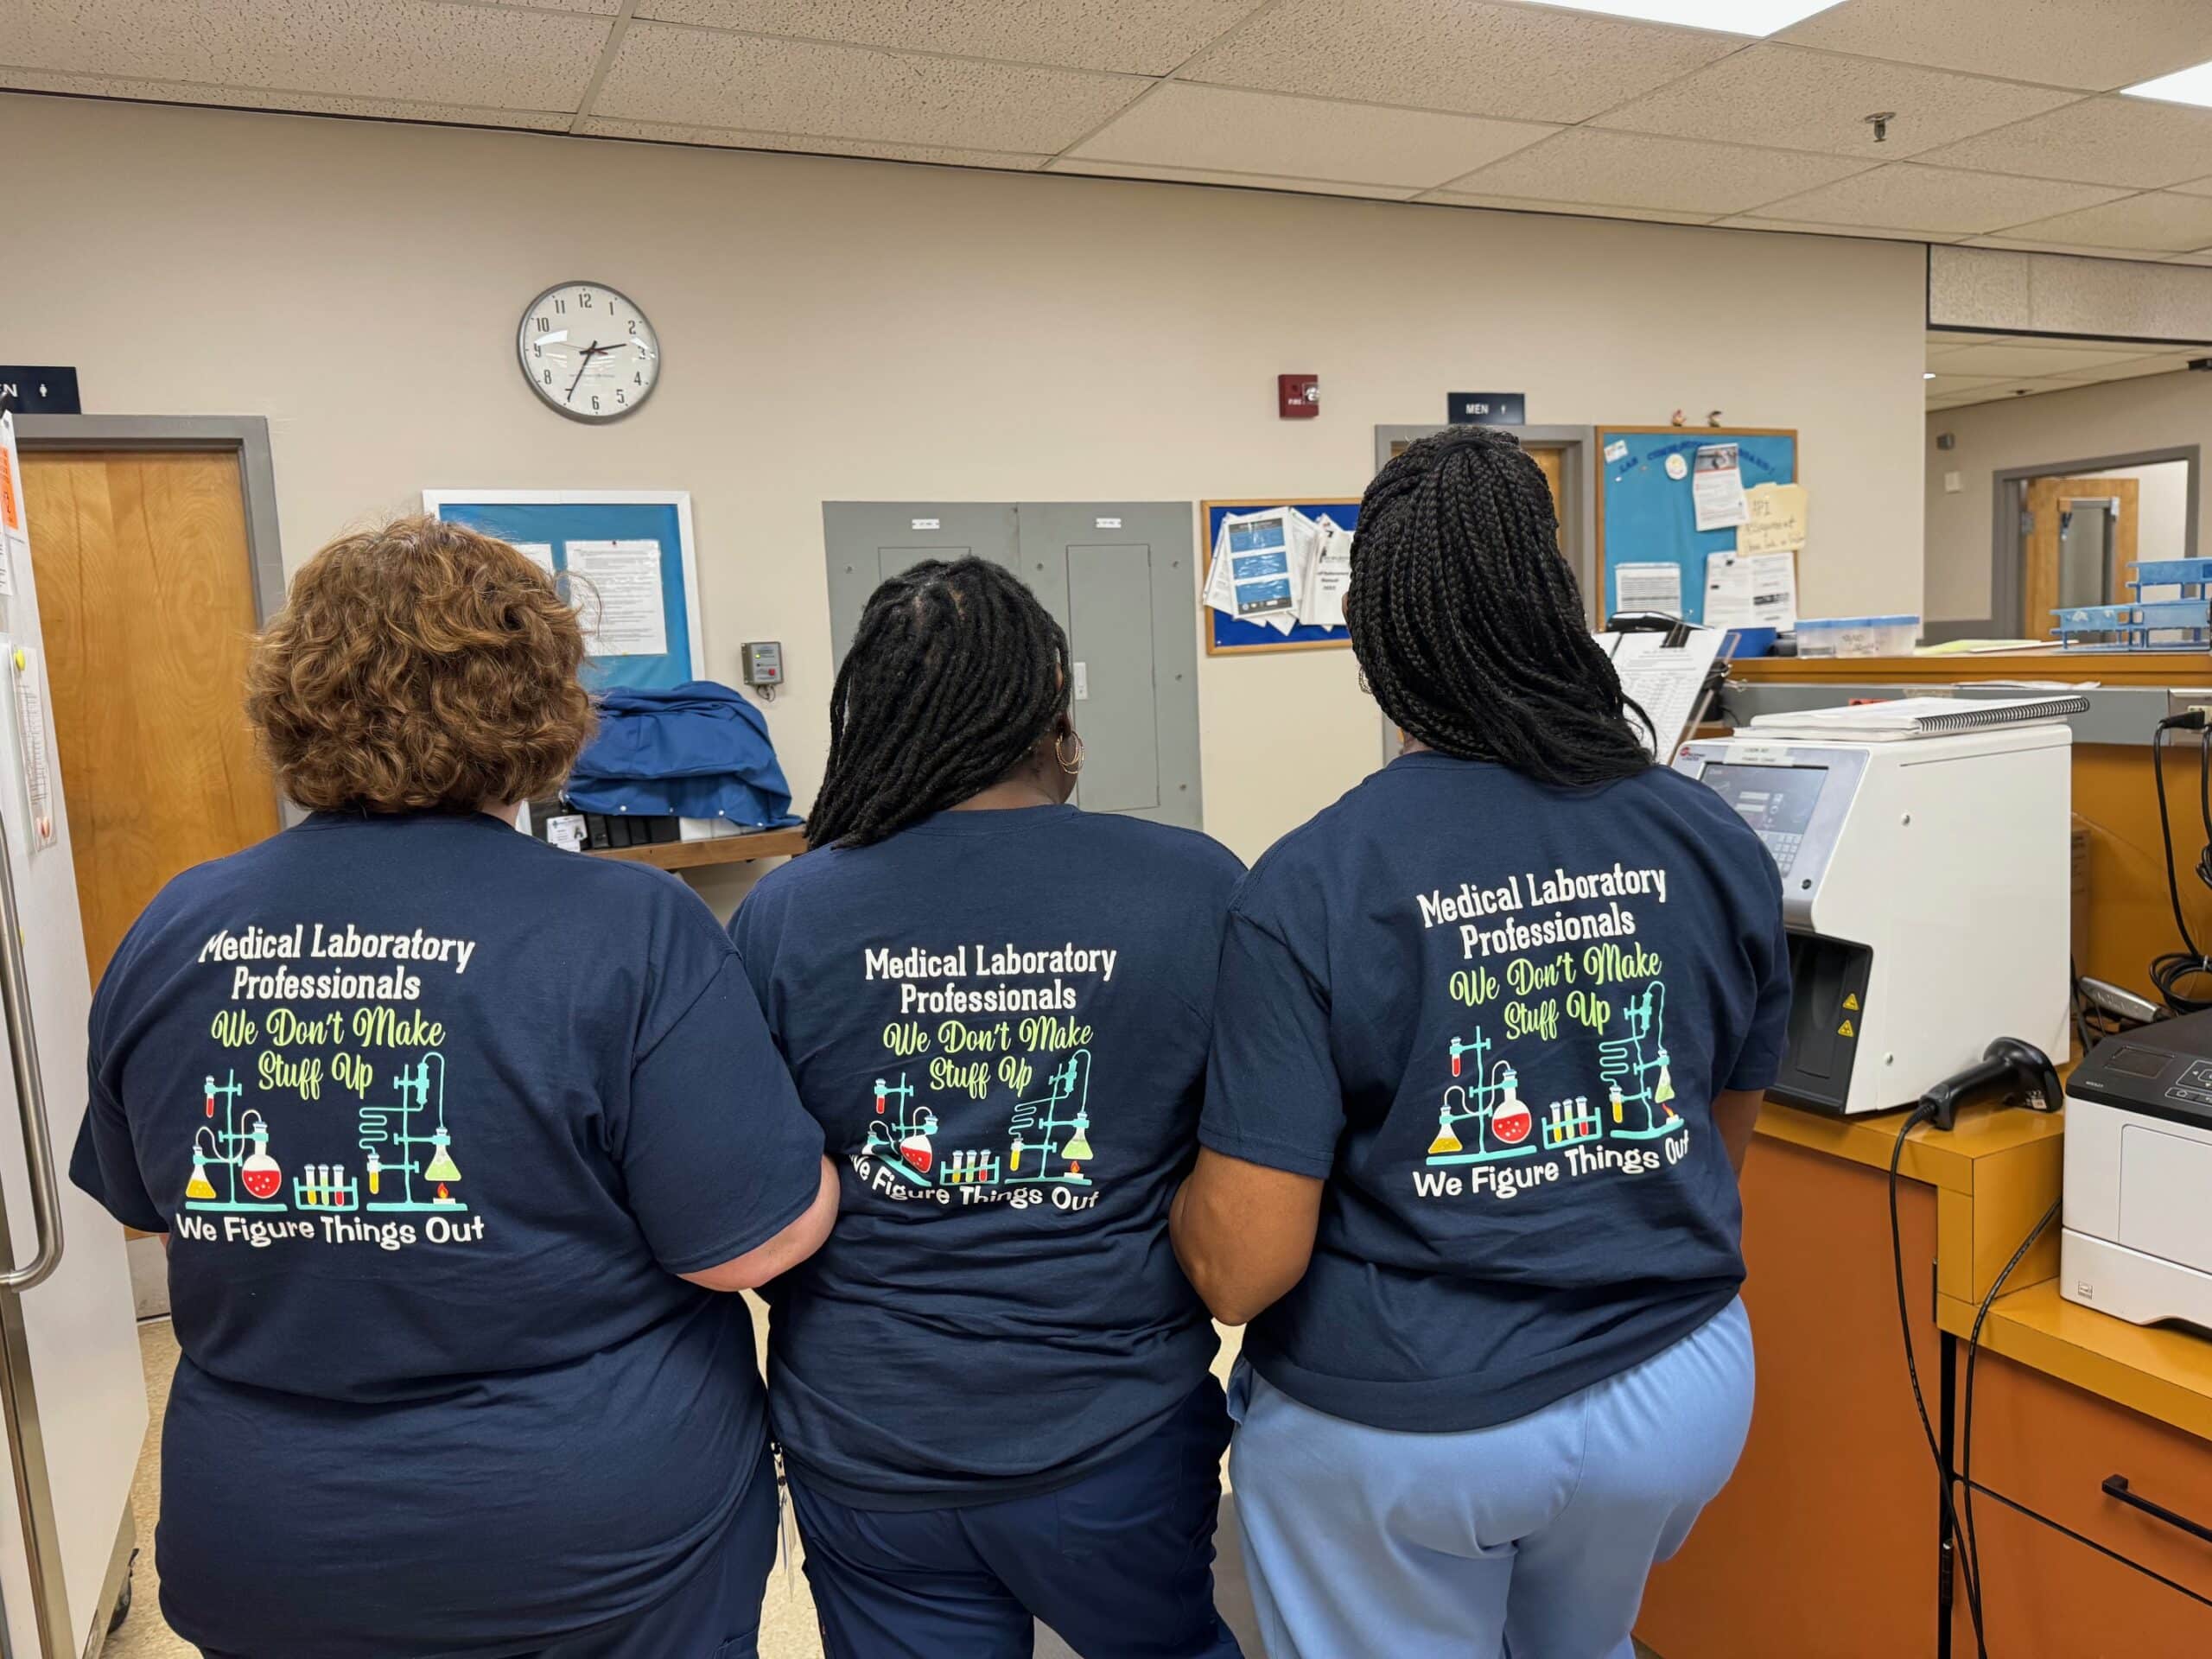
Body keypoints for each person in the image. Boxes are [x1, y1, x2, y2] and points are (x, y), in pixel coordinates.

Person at [70, 516, 837, 1659]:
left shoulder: (179, 920)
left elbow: (148, 1201)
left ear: (293, 698)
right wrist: (827, 1171)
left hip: (272, 1541)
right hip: (580, 1546)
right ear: (545, 704)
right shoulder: (628, 924)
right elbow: (745, 1248)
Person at [1172, 428, 1790, 1659]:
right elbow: (1712, 1148)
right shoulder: (1713, 840)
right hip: (1673, 1391)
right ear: (1554, 605)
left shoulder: (1313, 883)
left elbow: (1244, 1271)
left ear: (1374, 642)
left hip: (1408, 1426)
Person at [729, 557, 1246, 1659]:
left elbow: (756, 1189)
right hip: (1114, 1426)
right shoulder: (1193, 886)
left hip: (871, 1437)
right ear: (1053, 712)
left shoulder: (787, 914)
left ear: (872, 718)